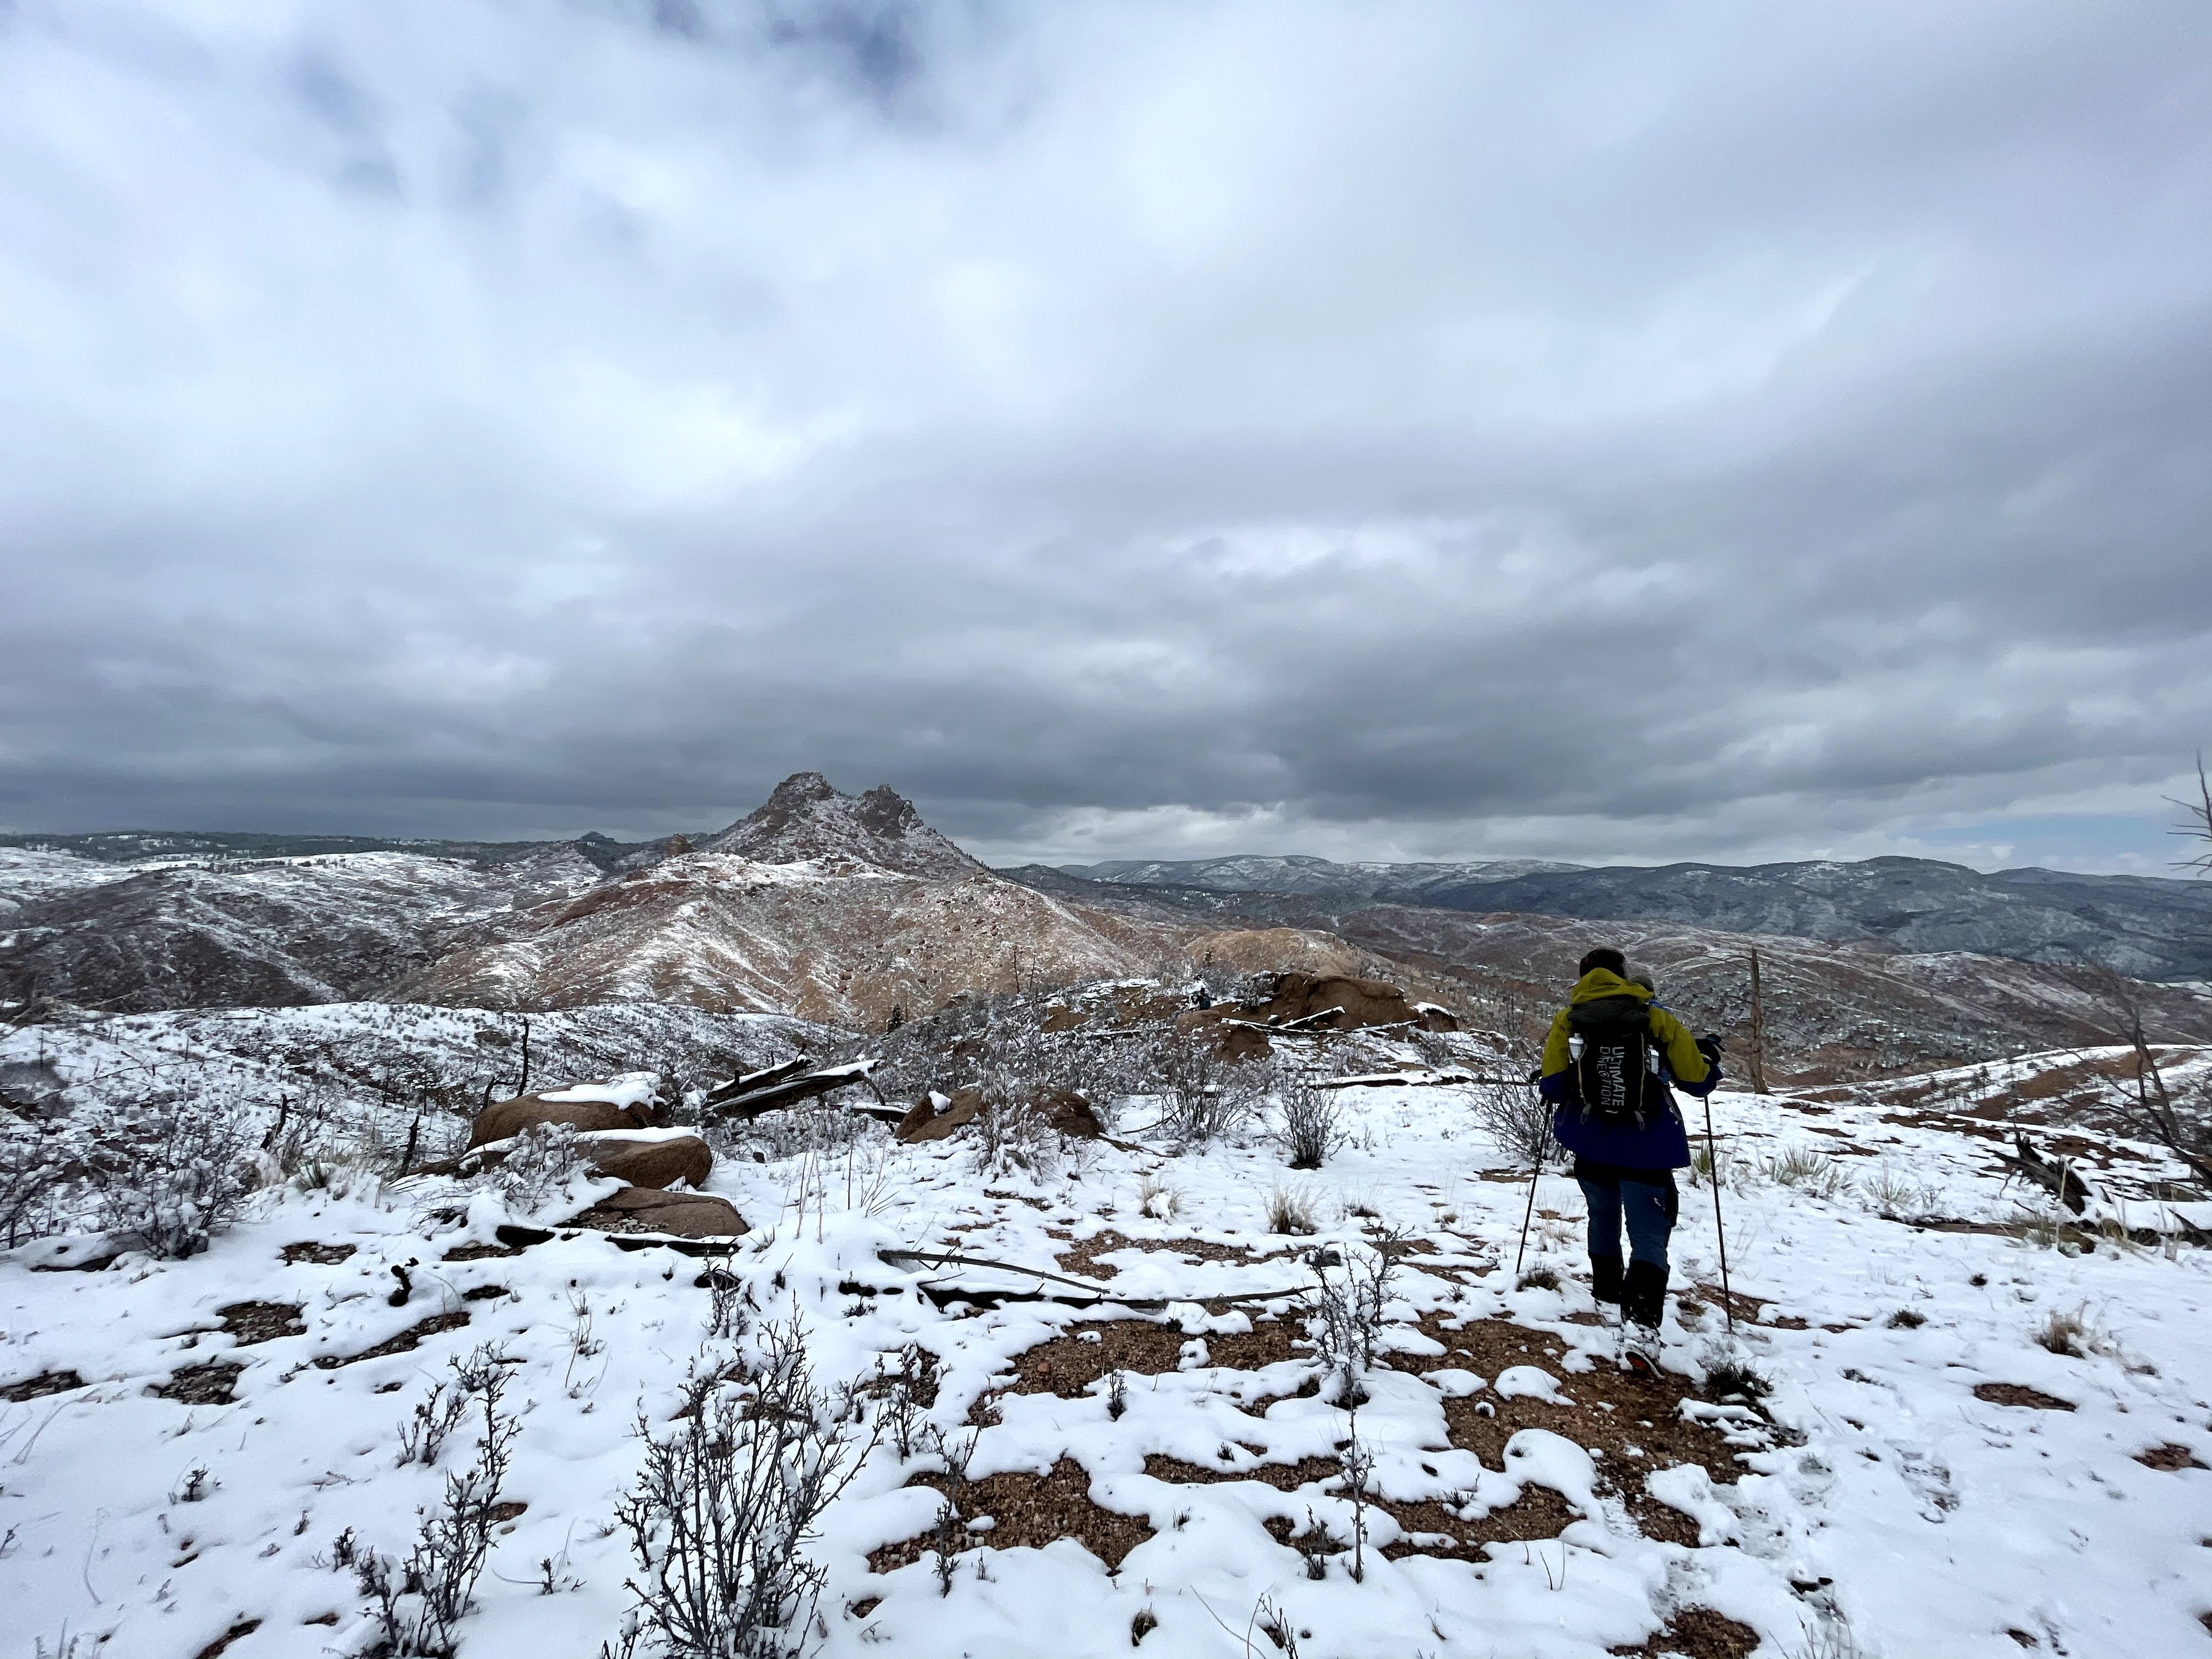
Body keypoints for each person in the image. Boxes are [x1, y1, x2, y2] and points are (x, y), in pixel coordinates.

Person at [1537, 947, 1722, 1369]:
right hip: (1646, 1145)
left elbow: (1553, 1087)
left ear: (1582, 977)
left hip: (1591, 1143)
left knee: (1602, 1216)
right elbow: (1697, 1082)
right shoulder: (1655, 1017)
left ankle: (1606, 1297)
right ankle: (1640, 1327)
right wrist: (1709, 1059)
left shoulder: (1568, 1019)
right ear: (1623, 976)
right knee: (1648, 1233)